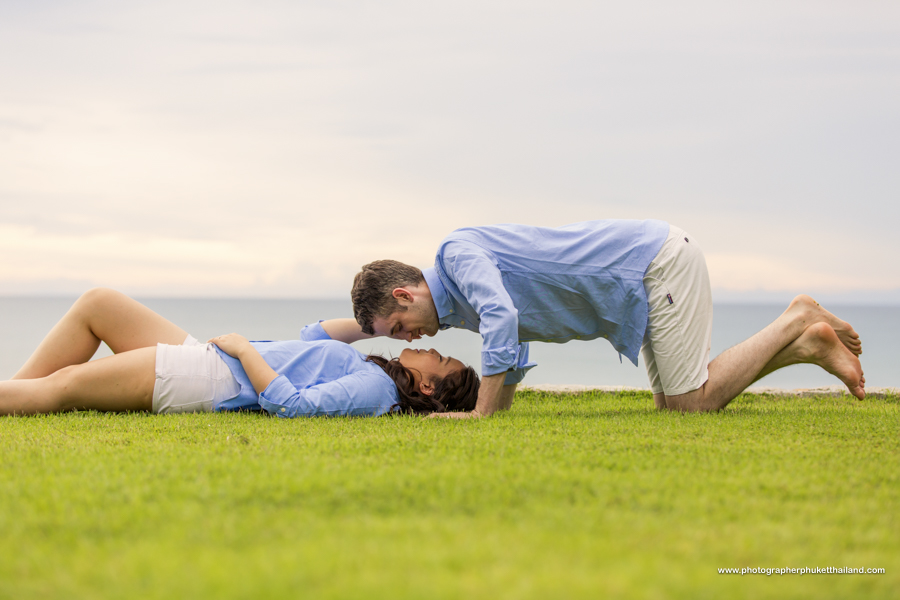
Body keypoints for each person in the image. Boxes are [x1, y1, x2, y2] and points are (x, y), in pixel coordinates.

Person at [338, 219, 865, 417]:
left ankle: (795, 318)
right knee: (672, 405)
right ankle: (806, 344)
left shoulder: (456, 254)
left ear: (405, 295)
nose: (406, 338)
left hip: (654, 267)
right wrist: (493, 411)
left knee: (689, 406)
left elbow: (503, 314)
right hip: (644, 275)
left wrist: (479, 416)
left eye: (397, 327)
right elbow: (512, 339)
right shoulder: (457, 305)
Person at [0, 288, 479, 417]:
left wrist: (245, 351)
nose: (432, 349)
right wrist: (384, 329)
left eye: (439, 359)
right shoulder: (373, 367)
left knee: (61, 389)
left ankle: (18, 397)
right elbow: (313, 336)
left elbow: (294, 406)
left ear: (429, 386)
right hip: (210, 359)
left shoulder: (376, 391)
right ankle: (14, 395)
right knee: (99, 304)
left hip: (209, 378)